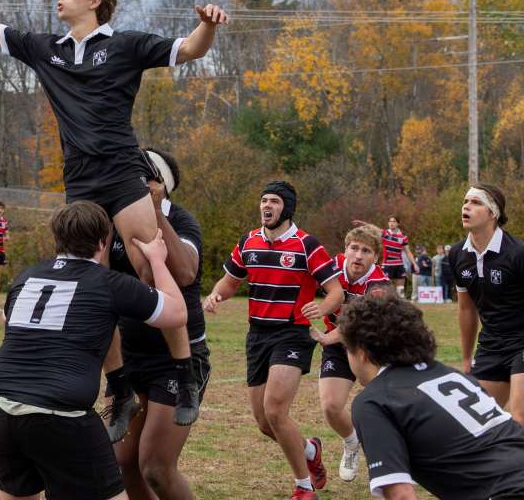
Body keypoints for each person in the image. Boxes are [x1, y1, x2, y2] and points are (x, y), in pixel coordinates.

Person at [0, 0, 228, 424]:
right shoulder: (45, 49)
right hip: (81, 183)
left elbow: (191, 49)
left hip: (121, 175)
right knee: (89, 283)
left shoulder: (127, 45)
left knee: (150, 267)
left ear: (95, 0)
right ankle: (118, 387)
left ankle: (185, 370)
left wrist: (207, 24)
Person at [0, 201, 187, 500]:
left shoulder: (26, 277)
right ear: (103, 242)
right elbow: (176, 313)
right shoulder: (109, 283)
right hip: (60, 413)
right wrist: (157, 260)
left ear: (57, 238)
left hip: (2, 407)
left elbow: (10, 323)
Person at [204, 181, 344, 500]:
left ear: (287, 208)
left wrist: (321, 307)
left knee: (276, 410)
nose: (267, 206)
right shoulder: (248, 242)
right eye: (264, 200)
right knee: (265, 422)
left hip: (292, 333)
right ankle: (310, 450)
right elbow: (229, 282)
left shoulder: (307, 245)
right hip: (257, 335)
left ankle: (304, 487)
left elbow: (335, 291)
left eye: (275, 202)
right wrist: (215, 295)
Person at [339, 293, 524, 499]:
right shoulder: (450, 374)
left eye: (347, 348)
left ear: (362, 352)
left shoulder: (374, 400)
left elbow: (401, 495)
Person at [104, 148, 210, 500]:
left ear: (161, 184)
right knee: (124, 462)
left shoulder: (181, 220)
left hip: (177, 359)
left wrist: (153, 213)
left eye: (142, 178)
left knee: (156, 467)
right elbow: (97, 274)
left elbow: (185, 272)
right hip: (132, 356)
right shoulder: (118, 221)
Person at [307, 223, 392, 484]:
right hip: (336, 347)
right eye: (354, 248)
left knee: (382, 407)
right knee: (331, 407)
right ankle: (352, 442)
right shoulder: (331, 269)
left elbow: (357, 326)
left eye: (366, 251)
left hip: (370, 348)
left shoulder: (379, 285)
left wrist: (325, 337)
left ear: (375, 257)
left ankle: (393, 460)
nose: (358, 256)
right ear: (345, 250)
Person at [451, 183, 524, 424]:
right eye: (465, 201)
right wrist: (465, 358)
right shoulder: (457, 254)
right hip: (492, 345)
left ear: (493, 213)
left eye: (476, 202)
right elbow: (466, 308)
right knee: (473, 422)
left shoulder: (517, 253)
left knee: (519, 415)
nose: (466, 206)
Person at [380, 216, 414, 298]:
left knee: (401, 289)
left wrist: (414, 264)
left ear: (398, 223)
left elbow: (408, 252)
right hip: (387, 265)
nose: (391, 223)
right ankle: (386, 304)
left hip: (399, 264)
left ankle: (401, 304)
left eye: (394, 221)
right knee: (386, 287)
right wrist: (363, 224)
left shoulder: (403, 237)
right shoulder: (384, 233)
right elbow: (373, 229)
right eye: (390, 221)